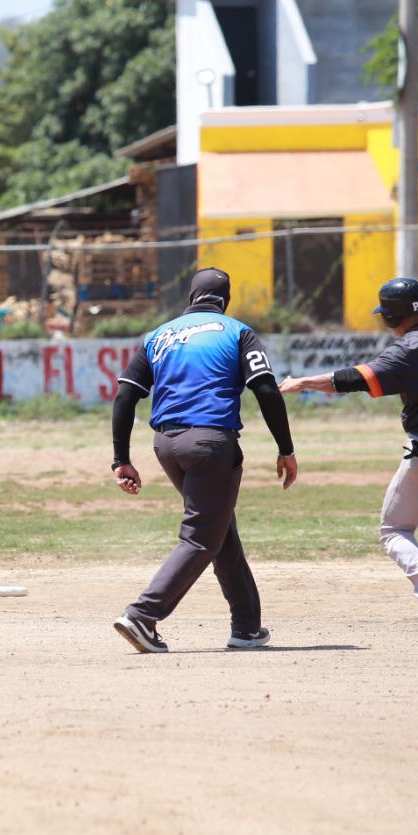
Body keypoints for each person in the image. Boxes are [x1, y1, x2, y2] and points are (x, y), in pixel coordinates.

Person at [280, 277, 418, 619]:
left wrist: (303, 382)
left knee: (394, 530)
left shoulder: (407, 350)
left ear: (389, 317)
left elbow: (354, 378)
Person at [110, 267, 298, 653]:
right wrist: (286, 448)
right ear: (225, 300)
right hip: (210, 444)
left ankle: (247, 627)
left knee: (219, 530)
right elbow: (266, 389)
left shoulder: (157, 336)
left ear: (190, 298)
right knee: (200, 537)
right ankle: (142, 615)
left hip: (166, 445)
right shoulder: (237, 332)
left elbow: (126, 396)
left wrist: (120, 459)